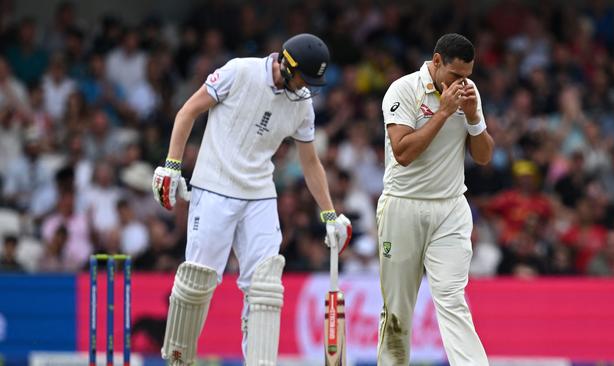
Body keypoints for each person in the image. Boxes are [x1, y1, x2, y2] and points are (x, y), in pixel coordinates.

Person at [151, 33, 352, 366]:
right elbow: (188, 111)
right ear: (286, 65)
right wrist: (172, 165)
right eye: (304, 77)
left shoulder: (302, 103)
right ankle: (178, 360)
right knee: (197, 281)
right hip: (214, 186)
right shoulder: (240, 72)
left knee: (265, 287)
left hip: (259, 193)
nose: (308, 87)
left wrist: (330, 214)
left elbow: (310, 161)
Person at [377, 33, 493, 365]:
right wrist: (443, 113)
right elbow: (402, 153)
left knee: (453, 299)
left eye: (468, 77)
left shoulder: (468, 93)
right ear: (437, 61)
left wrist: (472, 117)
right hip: (403, 204)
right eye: (456, 76)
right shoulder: (403, 90)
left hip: (450, 208)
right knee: (397, 310)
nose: (462, 84)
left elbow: (484, 156)